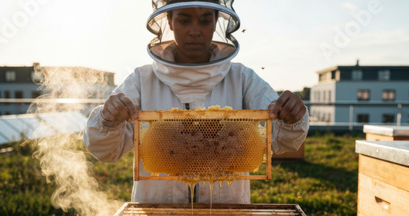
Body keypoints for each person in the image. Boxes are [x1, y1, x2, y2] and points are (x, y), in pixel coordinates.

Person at [83, 0, 309, 204]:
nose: (195, 31)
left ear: (216, 22)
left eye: (204, 20)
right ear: (169, 22)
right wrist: (108, 119)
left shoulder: (242, 79)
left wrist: (291, 117)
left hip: (228, 214)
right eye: (184, 20)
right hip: (158, 214)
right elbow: (105, 151)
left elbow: (281, 140)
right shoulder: (142, 80)